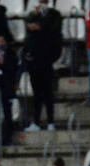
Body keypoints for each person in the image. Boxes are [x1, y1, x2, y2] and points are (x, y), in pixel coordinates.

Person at [23, 2, 62, 130]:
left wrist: (42, 21)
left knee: (48, 94)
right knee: (37, 95)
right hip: (34, 64)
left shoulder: (54, 16)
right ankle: (36, 122)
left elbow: (52, 29)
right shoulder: (33, 17)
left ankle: (51, 122)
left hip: (46, 62)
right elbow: (29, 25)